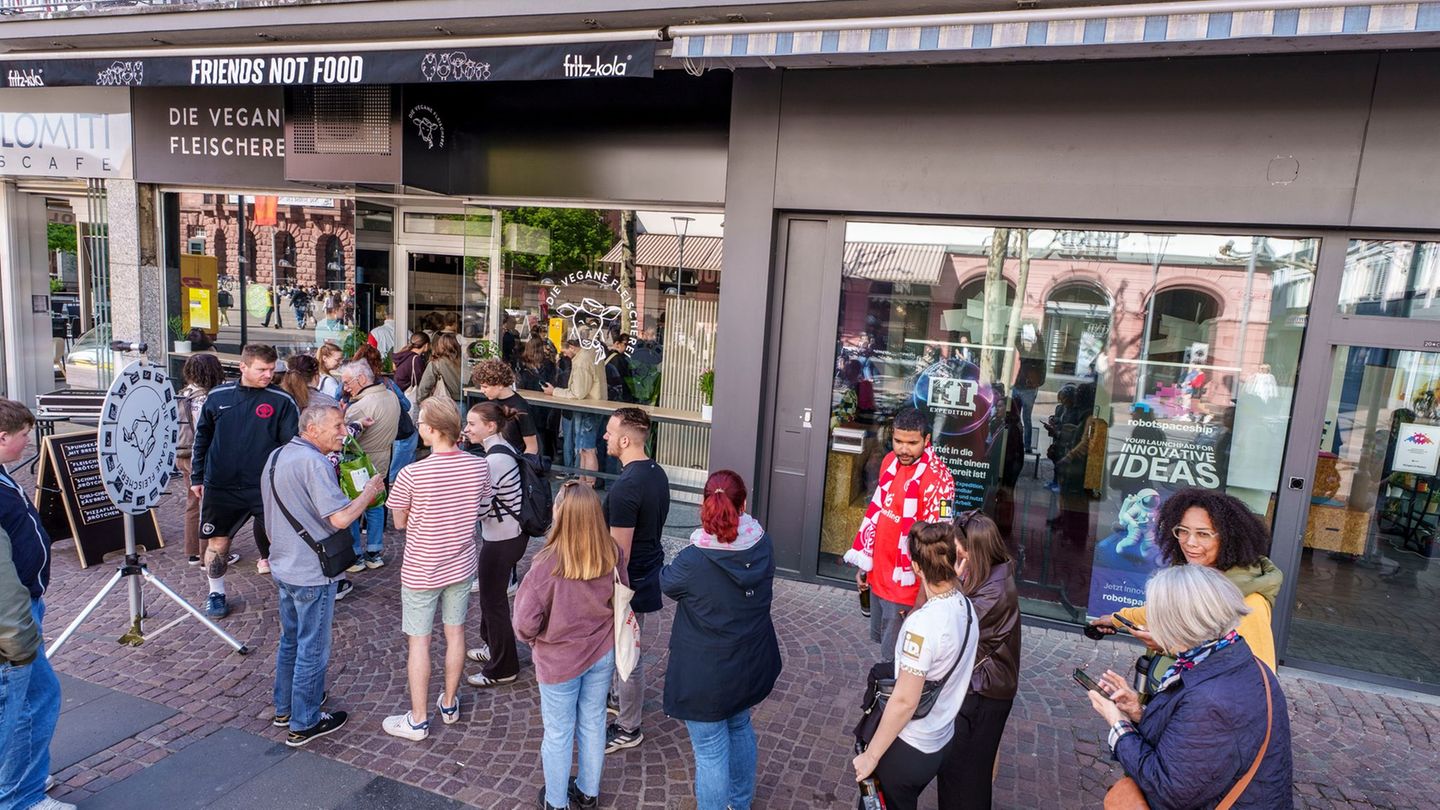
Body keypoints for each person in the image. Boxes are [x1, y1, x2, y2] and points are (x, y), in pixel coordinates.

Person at [1086, 565, 1293, 809]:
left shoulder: (1210, 699)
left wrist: (1118, 725)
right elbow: (1192, 742)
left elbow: (1168, 790)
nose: (1150, 623)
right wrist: (1139, 713)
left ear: (1178, 623)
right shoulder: (1235, 660)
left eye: (1157, 615)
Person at [262, 404, 385, 747]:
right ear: (312, 429)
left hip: (284, 565)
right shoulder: (314, 463)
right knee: (312, 648)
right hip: (311, 572)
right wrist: (369, 493)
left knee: (290, 640)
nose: (344, 431)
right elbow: (341, 519)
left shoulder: (277, 456)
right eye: (337, 425)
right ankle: (305, 722)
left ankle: (285, 707)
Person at [661, 470, 781, 810]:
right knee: (740, 724)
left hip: (706, 675)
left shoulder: (694, 559)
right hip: (748, 661)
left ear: (704, 504)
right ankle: (739, 803)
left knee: (711, 750)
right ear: (743, 504)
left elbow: (666, 583)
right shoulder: (762, 542)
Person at [382, 397, 491, 741]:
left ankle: (417, 719)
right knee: (456, 633)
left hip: (421, 567)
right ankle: (448, 703)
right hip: (460, 563)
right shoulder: (478, 466)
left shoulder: (411, 473)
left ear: (429, 430)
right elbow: (483, 507)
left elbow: (399, 522)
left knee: (419, 642)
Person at [1090, 488, 1283, 679]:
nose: (1189, 542)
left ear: (1230, 538)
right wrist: (1115, 619)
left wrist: (1169, 646)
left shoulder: (1250, 604)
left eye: (1203, 534)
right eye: (1183, 531)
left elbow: (1255, 678)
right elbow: (1165, 609)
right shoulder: (1200, 577)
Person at [851, 522, 979, 810]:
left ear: (916, 567)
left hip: (910, 747)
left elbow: (905, 701)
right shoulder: (966, 608)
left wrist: (871, 756)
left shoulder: (922, 626)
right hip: (941, 738)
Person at [514, 481, 622, 810]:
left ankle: (556, 802)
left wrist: (536, 639)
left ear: (560, 514)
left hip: (559, 660)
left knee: (559, 733)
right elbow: (621, 596)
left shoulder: (546, 564)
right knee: (592, 722)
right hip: (601, 651)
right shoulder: (611, 552)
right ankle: (588, 793)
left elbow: (523, 623)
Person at [0, 399, 73, 810]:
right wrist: (19, 636)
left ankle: (24, 781)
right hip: (13, 624)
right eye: (25, 435)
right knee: (18, 708)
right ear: (2, 437)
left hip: (21, 613)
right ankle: (18, 798)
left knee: (37, 698)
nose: (30, 442)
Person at [192, 344, 300, 617]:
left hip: (265, 485)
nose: (268, 375)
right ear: (243, 367)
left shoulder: (282, 400)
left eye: (272, 369)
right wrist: (197, 476)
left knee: (284, 540)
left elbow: (293, 447)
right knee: (218, 543)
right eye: (262, 369)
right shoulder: (218, 397)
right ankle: (216, 593)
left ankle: (295, 590)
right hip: (222, 484)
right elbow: (201, 438)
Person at [845, 406, 957, 659]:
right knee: (886, 650)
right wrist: (865, 567)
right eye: (898, 441)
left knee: (898, 659)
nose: (903, 449)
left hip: (908, 591)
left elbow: (938, 545)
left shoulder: (940, 480)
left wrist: (920, 601)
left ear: (927, 440)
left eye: (912, 443)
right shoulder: (888, 463)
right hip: (879, 577)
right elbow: (877, 519)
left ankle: (894, 699)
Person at [936, 513, 1020, 810]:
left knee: (966, 778)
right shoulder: (990, 572)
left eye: (958, 548)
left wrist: (949, 580)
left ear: (972, 550)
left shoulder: (994, 592)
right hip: (982, 689)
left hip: (983, 693)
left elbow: (952, 625)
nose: (954, 552)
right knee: (963, 773)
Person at [601, 407, 669, 754]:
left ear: (626, 440)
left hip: (629, 582)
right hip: (647, 571)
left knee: (628, 655)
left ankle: (628, 726)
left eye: (610, 433)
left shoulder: (627, 487)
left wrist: (610, 593)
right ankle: (617, 697)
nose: (605, 438)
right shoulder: (656, 473)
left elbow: (619, 554)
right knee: (626, 650)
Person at [462, 402, 528, 688]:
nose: (467, 428)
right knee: (493, 598)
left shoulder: (494, 460)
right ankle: (493, 647)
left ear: (491, 426)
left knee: (494, 601)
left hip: (502, 539)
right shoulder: (503, 449)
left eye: (472, 423)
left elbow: (481, 507)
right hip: (510, 535)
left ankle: (503, 667)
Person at [338, 361, 400, 571]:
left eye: (347, 382)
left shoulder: (360, 406)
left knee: (354, 507)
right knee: (375, 506)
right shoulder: (391, 395)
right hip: (382, 460)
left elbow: (344, 438)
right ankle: (374, 552)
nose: (345, 387)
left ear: (362, 379)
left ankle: (355, 554)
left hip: (358, 465)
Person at [178, 354, 226, 566]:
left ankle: (193, 552)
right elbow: (204, 432)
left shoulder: (183, 393)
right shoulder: (204, 398)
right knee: (209, 504)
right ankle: (208, 553)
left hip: (182, 453)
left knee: (192, 503)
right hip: (200, 457)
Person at [352, 344, 419, 485]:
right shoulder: (387, 383)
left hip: (359, 451)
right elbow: (406, 405)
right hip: (388, 441)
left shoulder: (348, 386)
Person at [544, 339, 606, 484]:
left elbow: (577, 393)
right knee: (585, 449)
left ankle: (587, 486)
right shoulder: (592, 353)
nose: (563, 354)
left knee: (587, 449)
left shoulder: (582, 360)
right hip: (595, 406)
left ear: (572, 347)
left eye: (564, 350)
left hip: (587, 409)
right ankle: (584, 484)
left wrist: (554, 391)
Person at [471, 358, 540, 455]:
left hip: (513, 459)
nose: (482, 390)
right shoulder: (493, 401)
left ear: (500, 384)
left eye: (485, 387)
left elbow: (532, 447)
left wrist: (521, 466)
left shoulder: (520, 407)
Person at [415, 332, 462, 416]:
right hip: (464, 404)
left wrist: (421, 403)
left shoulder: (436, 363)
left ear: (440, 346)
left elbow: (425, 386)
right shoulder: (463, 363)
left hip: (444, 404)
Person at [394, 332, 430, 406]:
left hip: (399, 393)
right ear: (426, 345)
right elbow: (420, 381)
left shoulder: (404, 355)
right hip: (408, 395)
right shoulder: (416, 359)